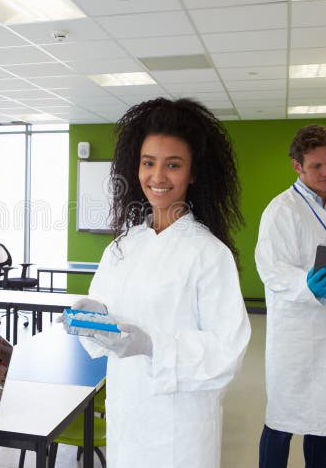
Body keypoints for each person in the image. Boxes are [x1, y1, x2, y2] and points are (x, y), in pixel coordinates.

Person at [72, 97, 251, 467]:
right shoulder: (124, 245)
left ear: (193, 173)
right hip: (127, 412)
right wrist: (91, 318)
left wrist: (154, 345)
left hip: (180, 427)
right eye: (148, 162)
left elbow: (228, 350)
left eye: (173, 165)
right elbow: (105, 315)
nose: (157, 177)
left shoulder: (208, 253)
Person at [255, 124, 326, 468]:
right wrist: (306, 284)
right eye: (316, 165)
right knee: (282, 422)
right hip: (296, 337)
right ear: (297, 166)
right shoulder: (282, 210)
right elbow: (271, 268)